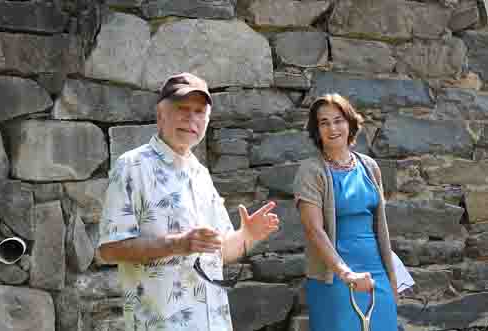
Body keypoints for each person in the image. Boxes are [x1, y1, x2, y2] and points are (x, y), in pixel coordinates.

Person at [98, 72, 280, 331]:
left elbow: (219, 253)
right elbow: (109, 249)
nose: (191, 118)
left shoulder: (200, 173)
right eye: (182, 109)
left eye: (199, 112)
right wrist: (177, 244)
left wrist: (247, 236)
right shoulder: (132, 165)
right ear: (161, 115)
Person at [293, 93, 398, 331]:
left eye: (338, 120)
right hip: (334, 276)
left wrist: (392, 277)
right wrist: (346, 273)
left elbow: (380, 228)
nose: (333, 128)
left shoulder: (369, 167)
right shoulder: (311, 171)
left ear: (350, 123)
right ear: (316, 130)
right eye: (324, 122)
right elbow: (314, 230)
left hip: (376, 274)